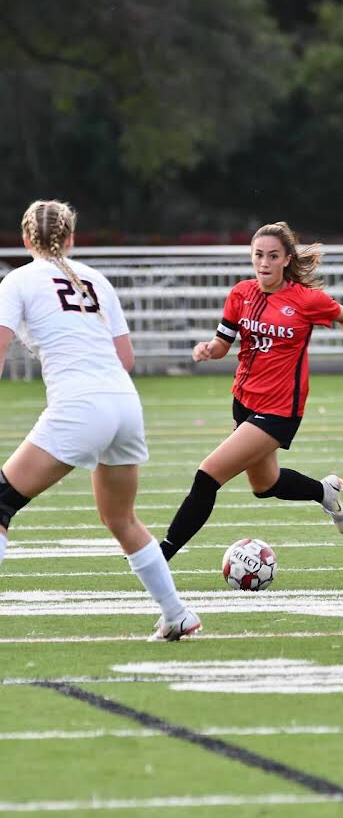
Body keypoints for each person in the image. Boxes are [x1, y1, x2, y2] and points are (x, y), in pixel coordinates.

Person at [0, 199, 201, 641]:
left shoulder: (17, 280)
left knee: (1, 504)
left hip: (80, 405)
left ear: (26, 238)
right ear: (71, 238)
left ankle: (178, 613)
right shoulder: (96, 279)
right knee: (121, 519)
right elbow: (125, 358)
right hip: (124, 404)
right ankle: (177, 614)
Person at [159, 221, 343, 562]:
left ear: (287, 259)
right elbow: (222, 344)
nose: (264, 262)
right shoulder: (241, 294)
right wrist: (208, 349)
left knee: (207, 475)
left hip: (279, 410)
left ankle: (159, 556)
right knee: (265, 485)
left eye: (273, 256)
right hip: (244, 401)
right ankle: (324, 491)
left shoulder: (305, 300)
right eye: (258, 255)